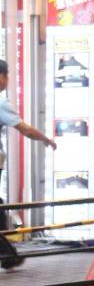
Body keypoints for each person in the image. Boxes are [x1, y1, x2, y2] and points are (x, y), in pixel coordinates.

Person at [0, 59, 58, 270]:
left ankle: (7, 254)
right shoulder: (1, 103)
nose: (7, 81)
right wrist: (46, 138)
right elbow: (25, 129)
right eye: (7, 76)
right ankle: (7, 253)